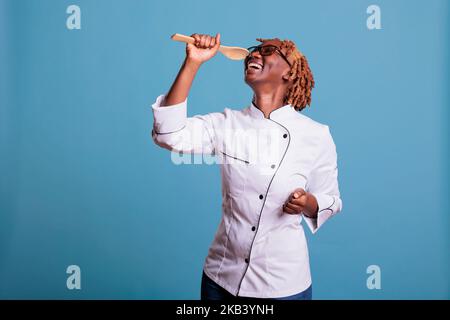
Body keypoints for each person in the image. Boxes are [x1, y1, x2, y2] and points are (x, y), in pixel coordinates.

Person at [151, 33, 343, 300]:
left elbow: (332, 200)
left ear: (289, 73)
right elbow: (168, 134)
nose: (254, 54)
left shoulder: (316, 135)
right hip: (220, 278)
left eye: (267, 51)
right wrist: (192, 63)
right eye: (253, 50)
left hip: (281, 285)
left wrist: (308, 202)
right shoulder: (226, 123)